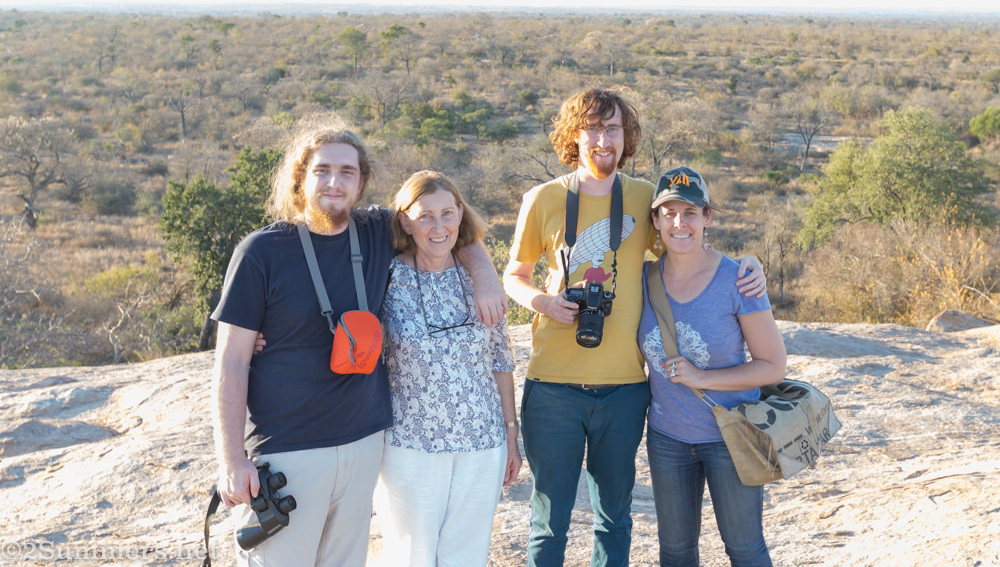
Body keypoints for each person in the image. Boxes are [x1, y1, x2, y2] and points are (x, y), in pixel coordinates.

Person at [210, 124, 505, 567]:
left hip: (364, 445)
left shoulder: (373, 232)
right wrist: (232, 460)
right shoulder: (260, 252)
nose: (334, 182)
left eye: (347, 172)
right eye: (322, 170)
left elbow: (440, 223)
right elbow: (231, 361)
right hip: (288, 449)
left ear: (362, 181)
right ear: (300, 178)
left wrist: (484, 276)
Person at [503, 88, 766, 567]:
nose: (603, 139)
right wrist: (543, 300)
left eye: (614, 128)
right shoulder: (542, 199)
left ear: (627, 138)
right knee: (549, 522)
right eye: (593, 128)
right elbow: (513, 276)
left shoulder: (645, 197)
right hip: (553, 386)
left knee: (614, 518)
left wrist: (747, 265)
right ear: (574, 135)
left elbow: (684, 244)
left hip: (625, 388)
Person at [640, 166, 787, 567]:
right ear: (655, 220)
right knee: (675, 551)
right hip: (668, 438)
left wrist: (703, 379)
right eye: (668, 212)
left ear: (708, 218)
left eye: (690, 212)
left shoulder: (737, 280)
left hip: (731, 435)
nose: (679, 223)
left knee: (744, 548)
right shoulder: (644, 279)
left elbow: (773, 365)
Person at [372, 170, 521, 566]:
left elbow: (500, 359)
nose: (438, 227)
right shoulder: (385, 276)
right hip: (409, 445)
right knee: (409, 557)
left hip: (481, 443)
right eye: (425, 216)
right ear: (405, 220)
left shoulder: (479, 279)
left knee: (466, 557)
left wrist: (511, 433)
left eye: (447, 214)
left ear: (460, 214)